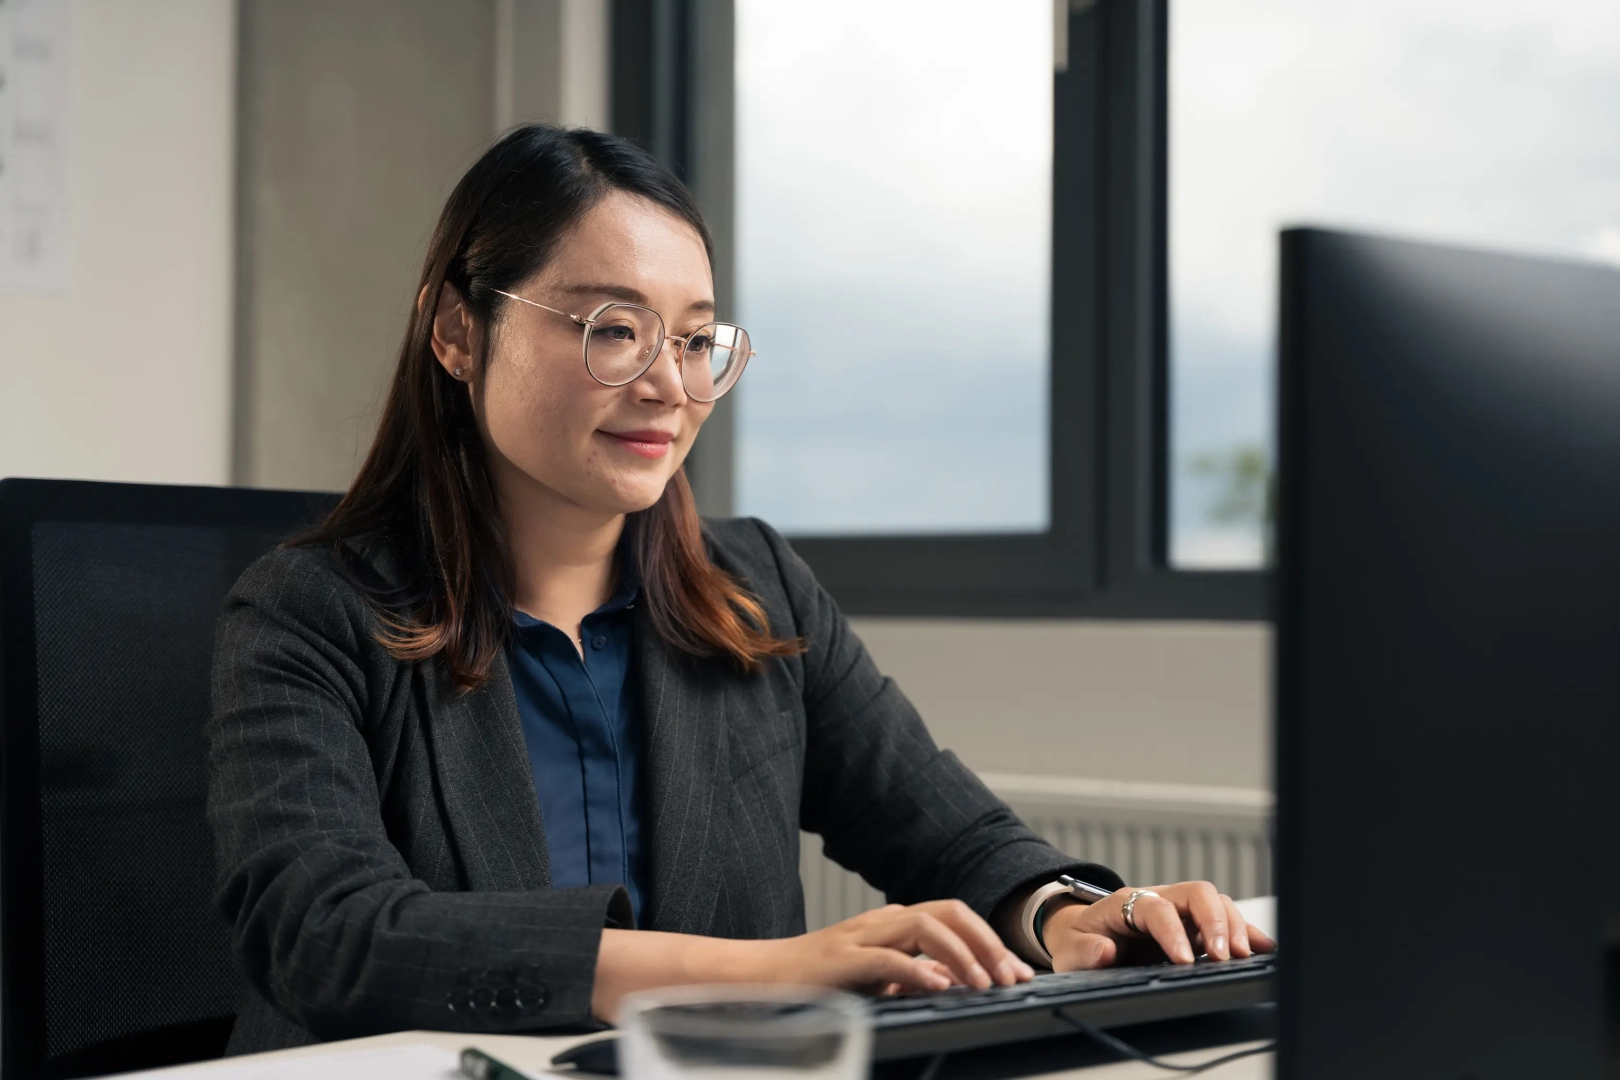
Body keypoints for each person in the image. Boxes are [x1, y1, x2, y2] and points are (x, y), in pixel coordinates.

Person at [205, 124, 1273, 1054]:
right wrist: (771, 972)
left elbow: (949, 837)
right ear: (456, 333)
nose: (669, 385)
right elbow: (325, 934)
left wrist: (1066, 912)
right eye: (612, 328)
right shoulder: (307, 612)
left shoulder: (754, 581)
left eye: (695, 337)